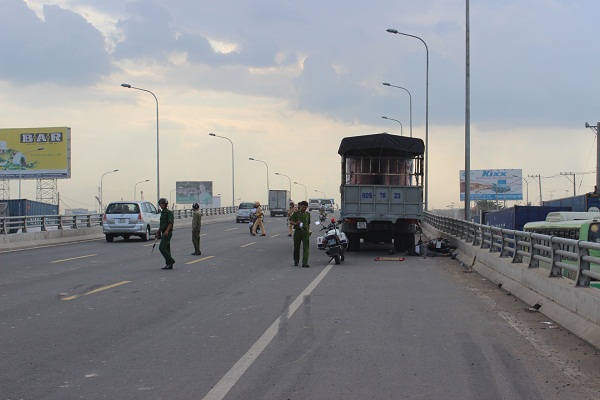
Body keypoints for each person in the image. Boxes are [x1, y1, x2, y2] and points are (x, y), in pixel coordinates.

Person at [290, 200, 311, 267]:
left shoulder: (308, 215)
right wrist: (296, 223)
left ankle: (305, 262)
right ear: (300, 206)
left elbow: (308, 224)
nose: (304, 209)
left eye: (305, 207)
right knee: (296, 247)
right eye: (303, 207)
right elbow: (291, 221)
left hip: (305, 232)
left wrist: (308, 230)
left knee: (306, 248)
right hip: (298, 232)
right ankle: (296, 261)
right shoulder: (296, 214)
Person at [156, 197, 175, 269]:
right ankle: (169, 264)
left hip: (167, 232)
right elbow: (162, 224)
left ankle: (171, 260)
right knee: (167, 248)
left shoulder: (168, 213)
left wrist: (167, 231)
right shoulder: (163, 213)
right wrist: (158, 231)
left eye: (161, 204)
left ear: (165, 204)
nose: (160, 205)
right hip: (163, 231)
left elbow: (170, 223)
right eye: (160, 204)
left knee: (162, 247)